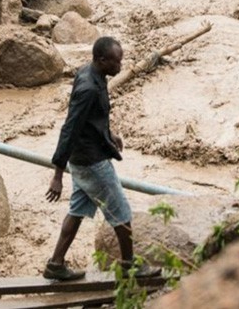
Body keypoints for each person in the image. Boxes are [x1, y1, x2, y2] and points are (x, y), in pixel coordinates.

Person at [43, 37, 160, 281]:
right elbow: (70, 128)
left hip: (83, 158)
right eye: (117, 62)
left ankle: (55, 264)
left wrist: (109, 134)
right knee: (122, 212)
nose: (121, 66)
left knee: (76, 211)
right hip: (91, 162)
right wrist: (57, 175)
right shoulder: (88, 88)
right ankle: (130, 266)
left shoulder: (92, 74)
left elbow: (91, 119)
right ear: (102, 60)